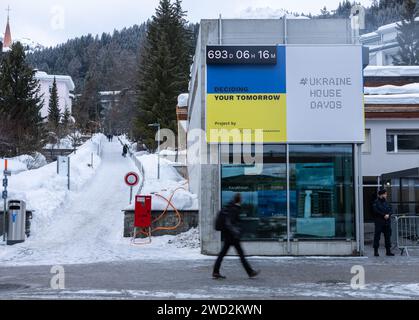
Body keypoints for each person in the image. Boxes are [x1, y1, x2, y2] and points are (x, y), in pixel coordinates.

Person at [213, 193, 260, 279]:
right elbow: (230, 223)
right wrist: (236, 232)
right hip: (232, 236)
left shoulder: (229, 207)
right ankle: (250, 272)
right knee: (241, 255)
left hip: (228, 235)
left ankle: (215, 271)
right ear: (239, 200)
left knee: (223, 254)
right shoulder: (234, 209)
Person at [372, 188, 395, 257]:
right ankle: (376, 251)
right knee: (377, 237)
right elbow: (375, 211)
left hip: (387, 222)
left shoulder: (387, 202)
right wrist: (384, 215)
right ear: (381, 195)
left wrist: (388, 214)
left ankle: (388, 251)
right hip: (379, 222)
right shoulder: (376, 202)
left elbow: (391, 210)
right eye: (385, 194)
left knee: (388, 237)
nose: (386, 195)